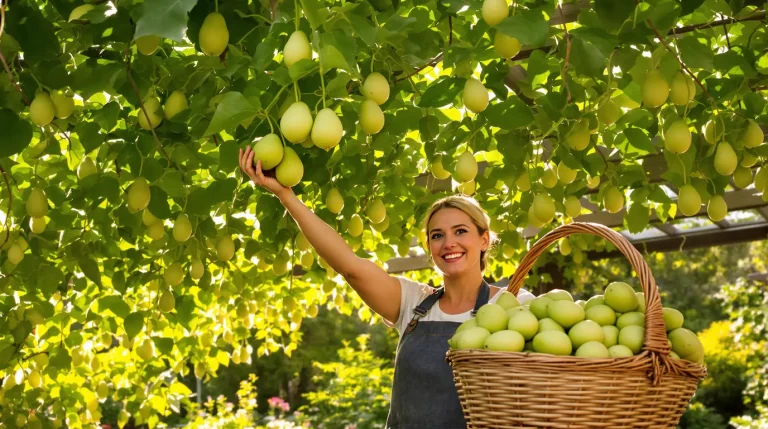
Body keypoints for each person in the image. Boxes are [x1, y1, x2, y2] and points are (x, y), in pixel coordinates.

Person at [239, 147, 535, 428]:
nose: (449, 244)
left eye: (461, 231)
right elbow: (350, 267)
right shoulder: (413, 304)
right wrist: (285, 195)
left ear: (484, 240)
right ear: (429, 247)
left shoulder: (513, 307)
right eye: (437, 235)